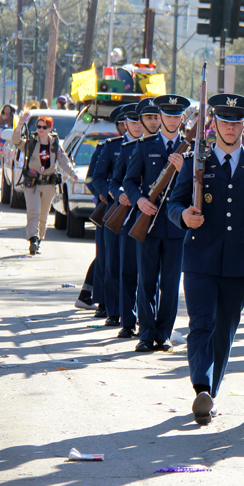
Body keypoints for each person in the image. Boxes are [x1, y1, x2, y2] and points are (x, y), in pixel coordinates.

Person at [167, 94, 244, 425]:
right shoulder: (197, 162)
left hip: (239, 262)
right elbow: (173, 203)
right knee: (201, 324)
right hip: (200, 257)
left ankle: (211, 391)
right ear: (214, 125)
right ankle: (202, 386)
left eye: (236, 122)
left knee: (225, 329)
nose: (230, 128)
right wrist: (184, 215)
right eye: (224, 122)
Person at [123, 94, 190, 353]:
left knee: (171, 285)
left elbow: (199, 186)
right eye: (168, 115)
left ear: (182, 119)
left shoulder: (191, 150)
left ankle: (163, 334)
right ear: (160, 117)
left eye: (177, 116)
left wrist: (184, 166)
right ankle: (146, 333)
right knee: (146, 281)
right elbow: (129, 181)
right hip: (148, 224)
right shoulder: (144, 146)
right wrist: (139, 201)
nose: (172, 120)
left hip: (176, 227)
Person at [11, 113, 82, 254]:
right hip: (32, 183)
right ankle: (33, 239)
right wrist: (20, 124)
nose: (41, 129)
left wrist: (72, 173)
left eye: (44, 127)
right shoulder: (31, 143)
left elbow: (63, 160)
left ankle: (39, 239)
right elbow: (16, 140)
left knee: (43, 214)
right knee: (34, 212)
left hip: (49, 184)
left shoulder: (55, 144)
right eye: (38, 126)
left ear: (50, 128)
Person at [90, 106, 132, 328]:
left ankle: (127, 311)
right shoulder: (110, 147)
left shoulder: (146, 147)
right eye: (126, 122)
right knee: (109, 261)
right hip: (113, 209)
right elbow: (95, 178)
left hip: (137, 210)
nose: (129, 125)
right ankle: (110, 308)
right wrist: (109, 192)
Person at [107, 102, 147, 337]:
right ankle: (127, 321)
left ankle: (146, 321)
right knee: (127, 272)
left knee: (151, 276)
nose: (141, 126)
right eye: (136, 122)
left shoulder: (156, 147)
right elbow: (114, 180)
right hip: (130, 216)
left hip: (153, 218)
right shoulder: (123, 148)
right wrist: (120, 193)